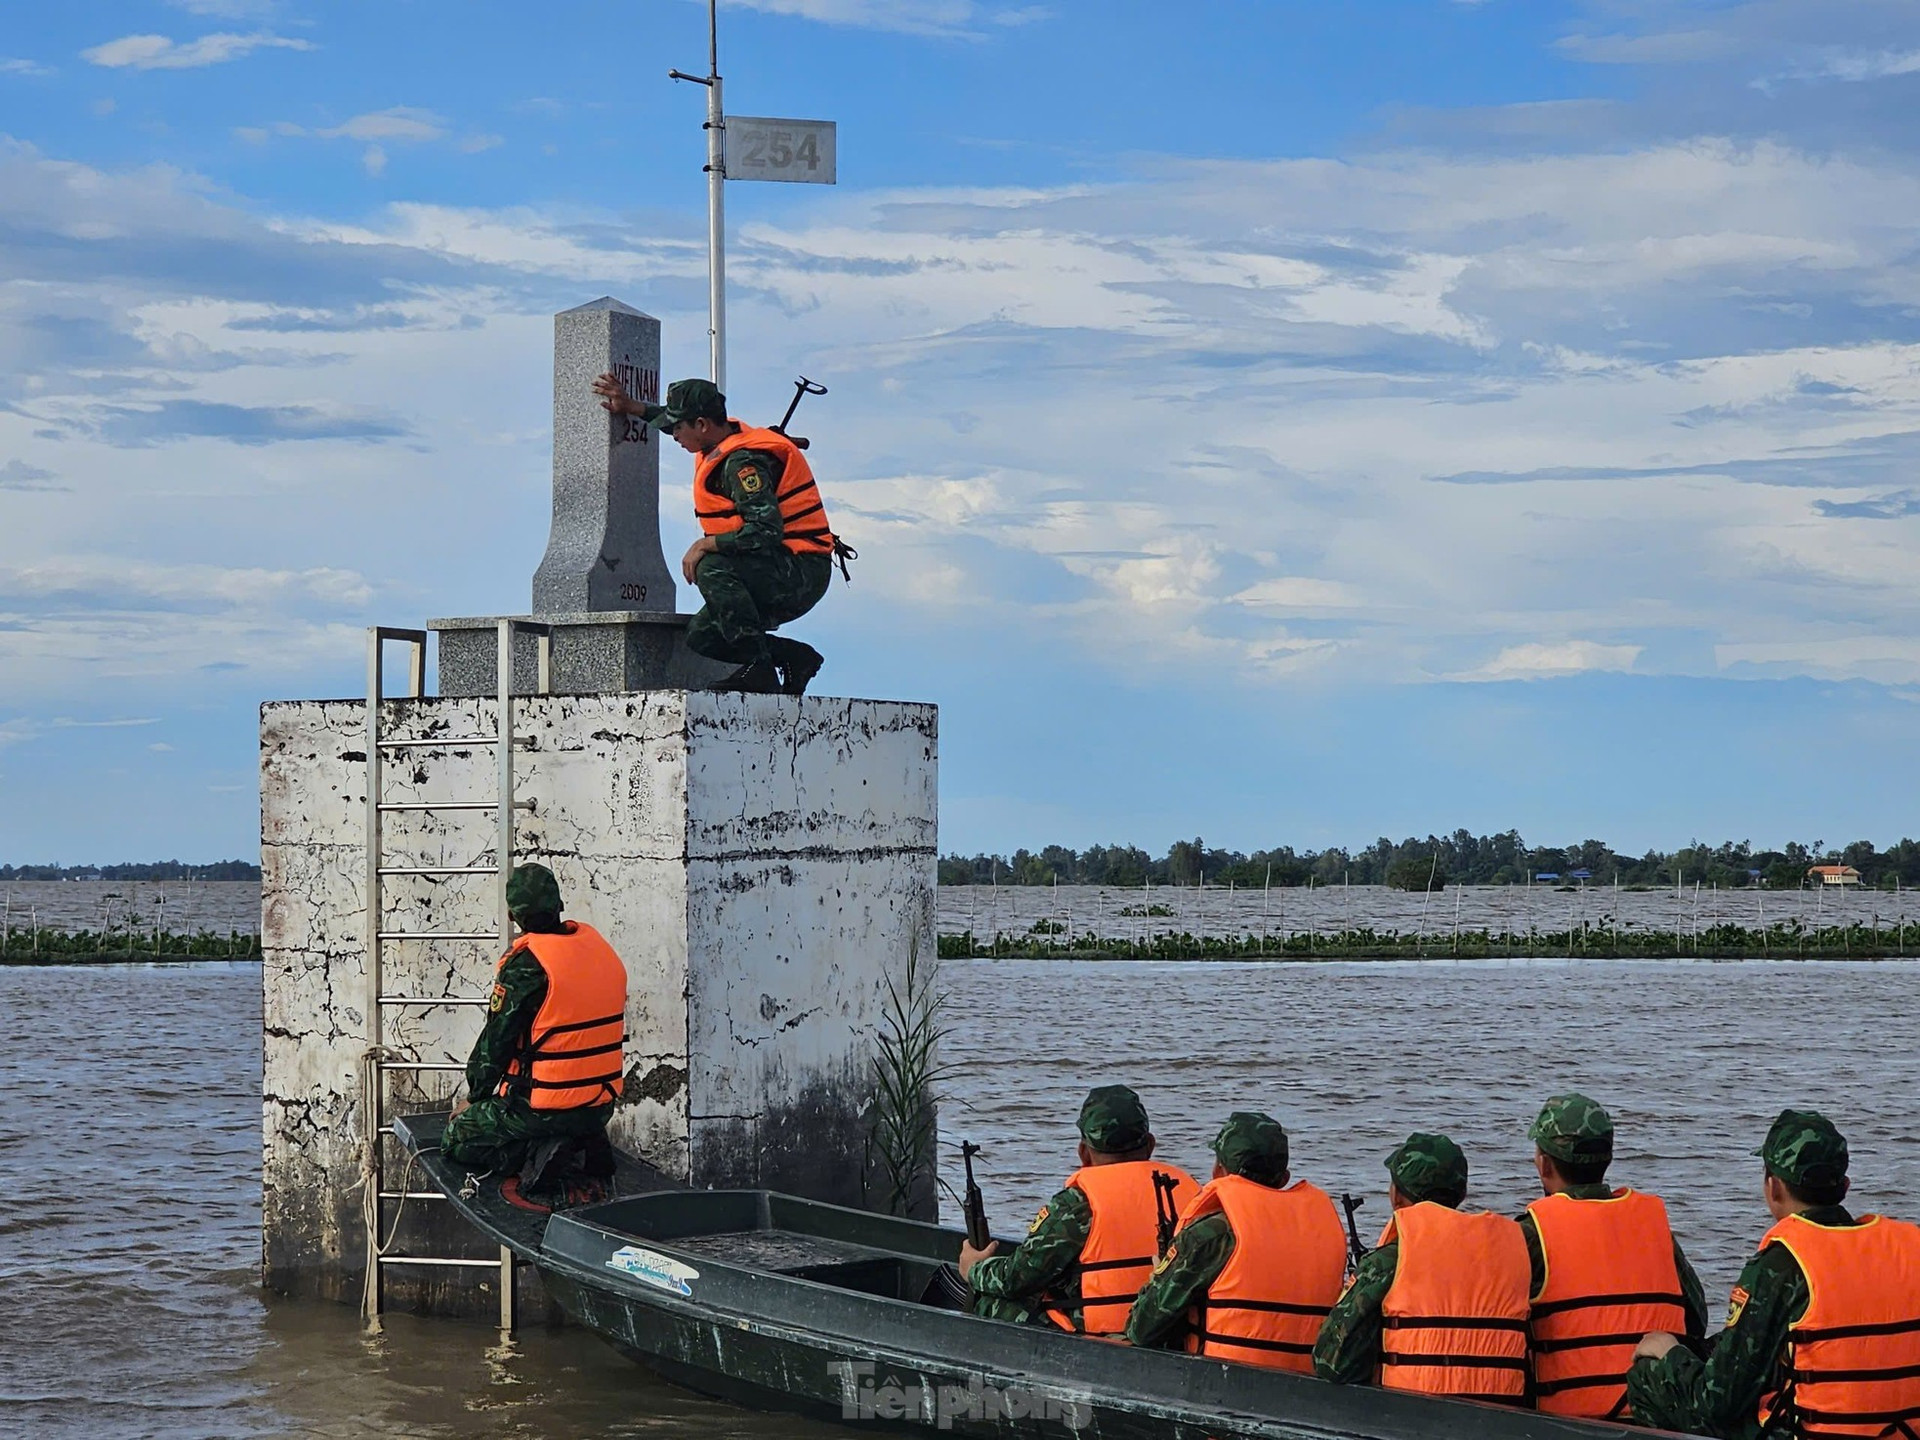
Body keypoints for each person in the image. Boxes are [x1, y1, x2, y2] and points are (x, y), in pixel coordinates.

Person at [1628, 1108, 1920, 1440]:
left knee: (1649, 1376)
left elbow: (1718, 1402)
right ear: (1845, 1186)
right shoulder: (1909, 1246)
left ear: (1774, 1186)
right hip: (1903, 1431)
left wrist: (1669, 1351)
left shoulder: (1782, 1263)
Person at [591, 373, 839, 695]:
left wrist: (706, 544)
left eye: (679, 427)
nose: (674, 434)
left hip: (800, 571)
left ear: (703, 425)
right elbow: (669, 422)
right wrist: (631, 406)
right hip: (773, 565)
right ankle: (793, 657)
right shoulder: (718, 436)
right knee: (702, 634)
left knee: (710, 565)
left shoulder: (741, 463)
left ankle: (759, 670)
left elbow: (765, 529)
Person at [440, 864, 628, 1193]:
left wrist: (476, 1097)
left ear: (513, 916)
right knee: (565, 1117)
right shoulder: (600, 949)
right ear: (559, 905)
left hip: (540, 1109)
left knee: (456, 1140)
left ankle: (542, 1151)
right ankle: (580, 1138)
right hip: (600, 1104)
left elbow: (495, 1043)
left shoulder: (527, 965)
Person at [1521, 1092, 1708, 1419]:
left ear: (1544, 1164)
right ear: (1607, 1158)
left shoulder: (1532, 1232)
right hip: (1655, 1415)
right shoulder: (1653, 1225)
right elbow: (1695, 1318)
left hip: (1567, 1422)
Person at [958, 1084, 1199, 1334]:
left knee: (991, 1302)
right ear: (1150, 1145)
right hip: (1173, 1333)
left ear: (1083, 1152)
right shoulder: (1189, 1191)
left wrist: (974, 1268)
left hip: (1101, 1336)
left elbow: (1016, 1279)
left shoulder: (1078, 1202)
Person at [1313, 1132, 1532, 1405]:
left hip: (1410, 1414)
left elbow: (1333, 1362)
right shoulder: (1515, 1252)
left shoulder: (1390, 1260)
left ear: (1396, 1196)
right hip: (1504, 1415)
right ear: (1461, 1194)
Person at [1123, 1110, 1347, 1373]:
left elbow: (1142, 1328)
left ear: (1219, 1170)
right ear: (1284, 1178)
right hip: (1306, 1378)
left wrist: (1157, 1275)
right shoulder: (1323, 1229)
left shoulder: (1212, 1233)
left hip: (1223, 1380)